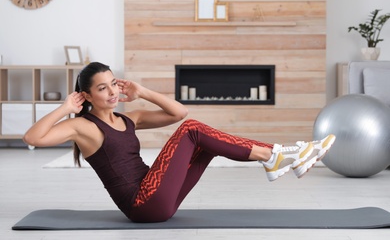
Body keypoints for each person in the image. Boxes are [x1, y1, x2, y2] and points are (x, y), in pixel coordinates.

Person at [23, 62, 335, 223]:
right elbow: (32, 137)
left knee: (204, 141)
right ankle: (275, 156)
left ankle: (277, 155)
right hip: (142, 204)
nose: (112, 93)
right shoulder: (84, 127)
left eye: (113, 85)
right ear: (88, 95)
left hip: (160, 199)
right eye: (102, 89)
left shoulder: (129, 119)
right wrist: (65, 108)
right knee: (193, 130)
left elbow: (178, 111)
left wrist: (142, 91)